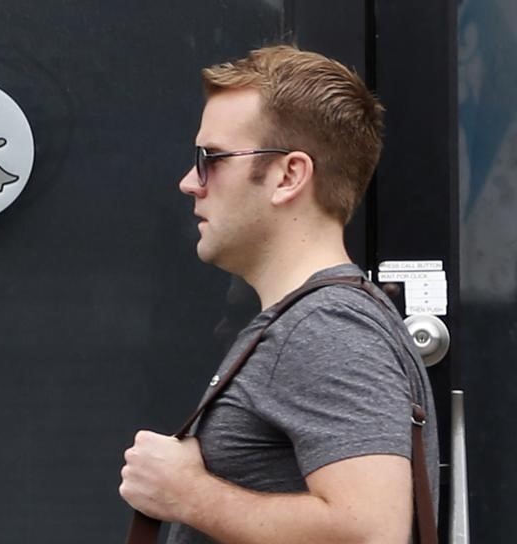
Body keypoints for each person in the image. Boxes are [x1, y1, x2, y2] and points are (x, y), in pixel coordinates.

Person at [118, 45, 439, 543]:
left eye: (211, 159)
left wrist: (187, 494)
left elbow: (373, 533)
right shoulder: (321, 320)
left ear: (289, 176)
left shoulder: (326, 329)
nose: (189, 183)